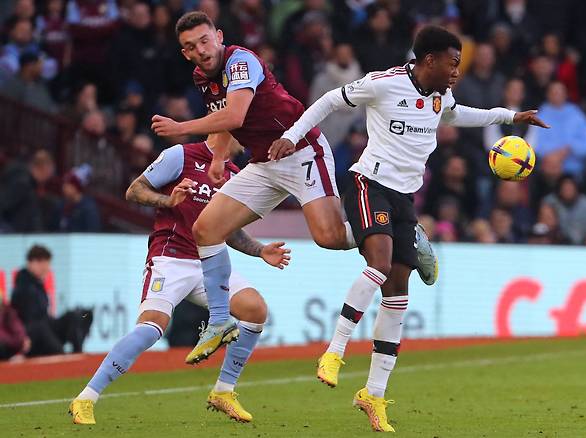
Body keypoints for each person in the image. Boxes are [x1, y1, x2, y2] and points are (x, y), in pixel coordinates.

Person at [269, 25, 548, 432]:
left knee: (398, 296)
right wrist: (292, 136)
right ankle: (334, 350)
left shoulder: (440, 96)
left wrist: (509, 116)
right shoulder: (384, 84)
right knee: (379, 265)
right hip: (369, 184)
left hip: (403, 200)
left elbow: (458, 113)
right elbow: (329, 100)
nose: (457, 71)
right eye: (453, 63)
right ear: (429, 60)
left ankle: (373, 394)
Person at [149, 11, 438, 364]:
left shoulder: (240, 61)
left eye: (205, 41)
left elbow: (236, 114)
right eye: (191, 47)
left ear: (219, 36)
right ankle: (220, 321)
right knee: (206, 229)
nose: (201, 50)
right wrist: (219, 157)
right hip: (263, 161)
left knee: (329, 236)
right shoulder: (201, 77)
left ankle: (407, 233)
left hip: (300, 150)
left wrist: (181, 128)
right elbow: (228, 120)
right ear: (185, 53)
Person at [68, 134, 290, 425]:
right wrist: (168, 200)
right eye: (243, 127)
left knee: (255, 310)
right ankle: (86, 398)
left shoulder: (236, 174)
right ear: (225, 127)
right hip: (170, 259)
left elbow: (230, 230)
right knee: (150, 329)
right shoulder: (181, 156)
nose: (248, 134)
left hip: (209, 262)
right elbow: (135, 190)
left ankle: (224, 391)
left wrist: (260, 251)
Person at [11, 245, 92, 356]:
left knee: (83, 314)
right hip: (31, 334)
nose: (47, 269)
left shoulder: (38, 284)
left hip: (46, 327)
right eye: (44, 265)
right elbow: (30, 320)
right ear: (33, 263)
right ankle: (61, 357)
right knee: (41, 328)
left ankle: (77, 352)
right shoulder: (23, 286)